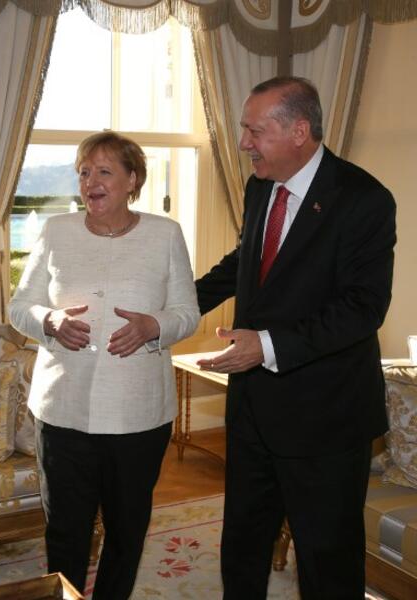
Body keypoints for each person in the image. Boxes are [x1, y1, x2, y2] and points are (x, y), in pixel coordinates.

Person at [196, 76, 396, 599]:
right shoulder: (259, 186)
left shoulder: (365, 201)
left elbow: (362, 309)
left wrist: (264, 346)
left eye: (253, 131)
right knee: (242, 550)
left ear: (299, 131)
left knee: (326, 563)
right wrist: (176, 303)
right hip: (253, 414)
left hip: (325, 420)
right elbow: (248, 263)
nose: (243, 144)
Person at [8, 131, 199, 599]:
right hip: (63, 411)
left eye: (104, 171)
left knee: (127, 530)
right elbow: (19, 307)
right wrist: (49, 320)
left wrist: (154, 326)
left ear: (133, 179)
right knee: (65, 531)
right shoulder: (56, 232)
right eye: (84, 172)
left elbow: (187, 313)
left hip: (138, 415)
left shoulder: (165, 234)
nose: (90, 181)